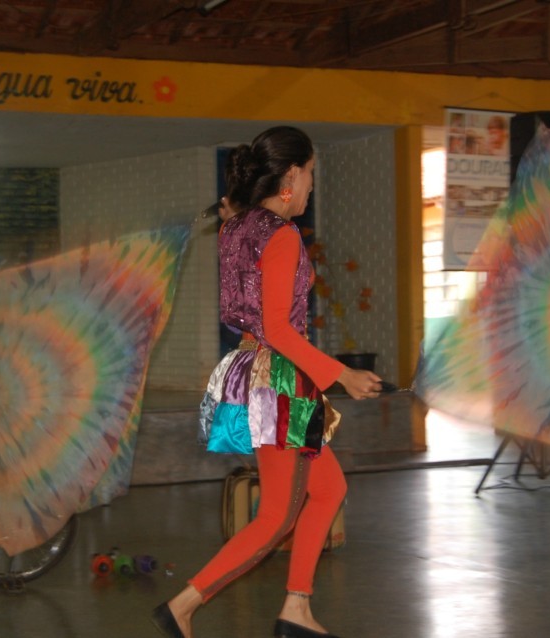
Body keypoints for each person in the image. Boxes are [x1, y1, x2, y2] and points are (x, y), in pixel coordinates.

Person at [151, 126, 382, 638]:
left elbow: (258, 315)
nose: (311, 188)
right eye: (312, 175)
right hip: (279, 379)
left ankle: (296, 608)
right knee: (277, 515)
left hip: (253, 369)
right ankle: (184, 605)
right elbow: (278, 328)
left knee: (327, 490)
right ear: (291, 175)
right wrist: (339, 373)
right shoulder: (280, 235)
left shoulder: (238, 228)